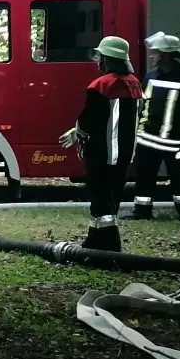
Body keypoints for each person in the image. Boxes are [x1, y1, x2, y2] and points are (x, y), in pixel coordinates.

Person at [59, 37, 143, 251]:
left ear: (106, 59)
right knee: (111, 196)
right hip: (124, 154)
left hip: (101, 152)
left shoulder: (100, 85)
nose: (98, 61)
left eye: (100, 57)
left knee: (100, 196)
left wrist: (78, 132)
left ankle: (110, 244)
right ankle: (95, 238)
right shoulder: (135, 83)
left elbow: (89, 119)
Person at [127, 32, 180, 221]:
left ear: (166, 54)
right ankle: (142, 211)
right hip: (147, 140)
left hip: (173, 143)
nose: (151, 56)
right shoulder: (150, 76)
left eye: (155, 52)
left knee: (179, 180)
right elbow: (142, 105)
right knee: (144, 178)